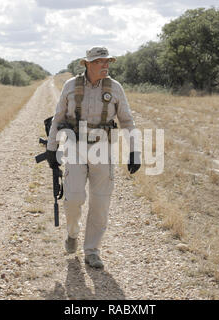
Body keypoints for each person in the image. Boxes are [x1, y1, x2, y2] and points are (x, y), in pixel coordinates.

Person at [46, 46, 141, 269]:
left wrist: (134, 150)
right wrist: (52, 148)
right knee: (73, 198)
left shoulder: (115, 88)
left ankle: (92, 251)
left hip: (103, 150)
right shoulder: (70, 86)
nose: (105, 65)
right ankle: (72, 233)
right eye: (99, 62)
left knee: (100, 202)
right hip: (75, 148)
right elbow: (58, 117)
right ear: (87, 64)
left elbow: (127, 121)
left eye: (107, 61)